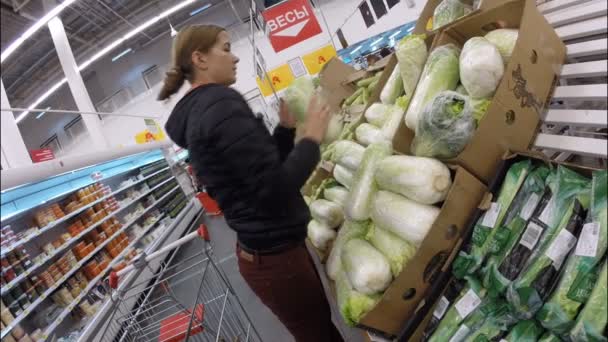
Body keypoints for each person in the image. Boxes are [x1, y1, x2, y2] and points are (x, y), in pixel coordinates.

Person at [160, 25, 343, 342]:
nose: (235, 57)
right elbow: (275, 190)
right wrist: (311, 137)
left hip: (268, 253)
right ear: (200, 58)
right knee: (318, 335)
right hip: (277, 259)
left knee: (318, 330)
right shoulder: (219, 106)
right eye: (226, 48)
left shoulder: (203, 111)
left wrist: (285, 132)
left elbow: (256, 174)